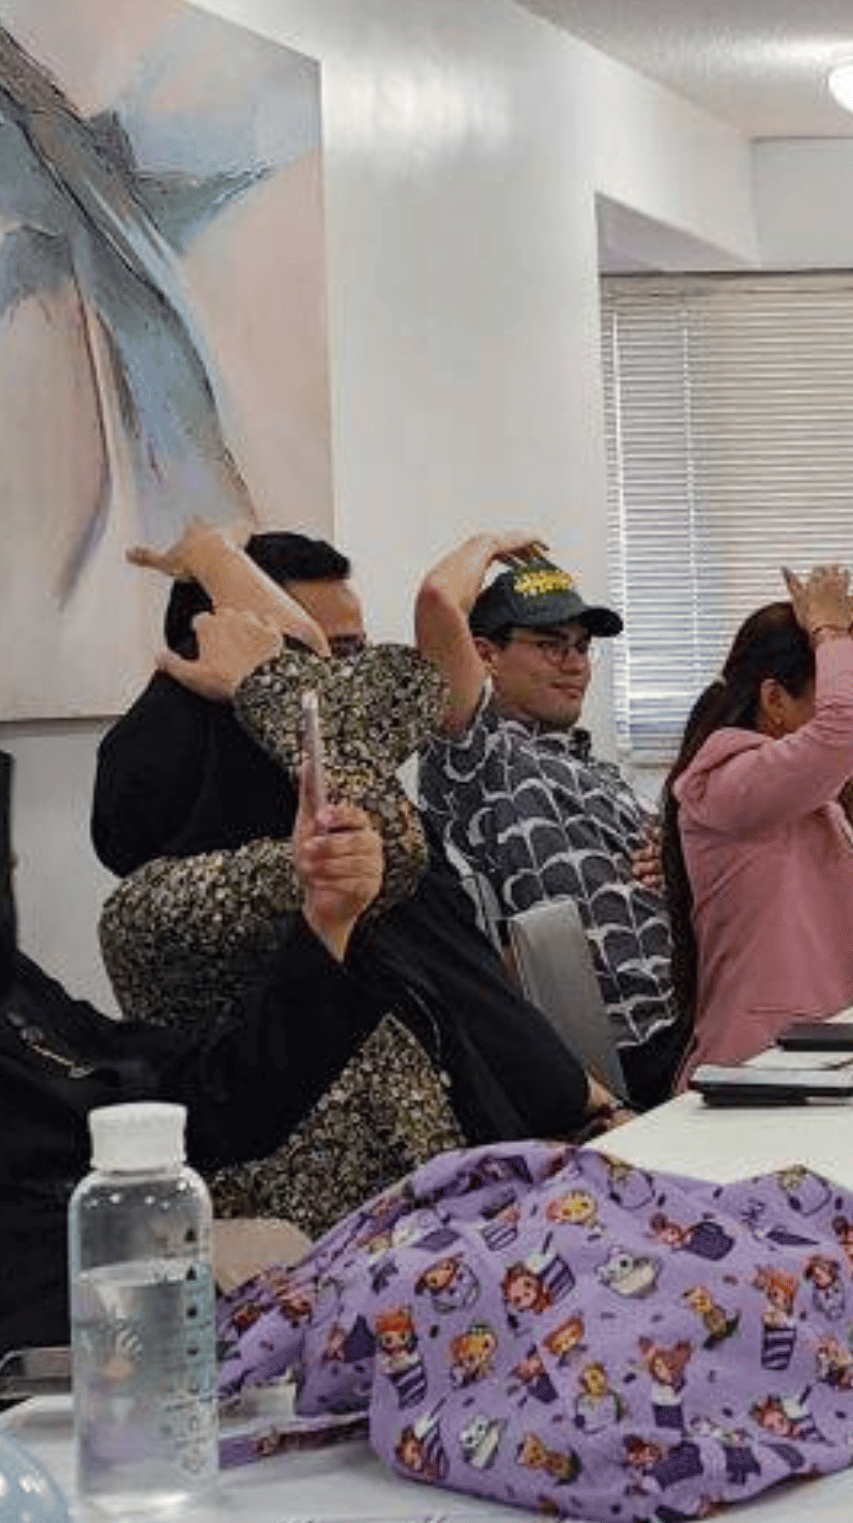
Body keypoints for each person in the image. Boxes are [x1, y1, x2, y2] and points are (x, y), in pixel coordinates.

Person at [92, 525, 616, 1229]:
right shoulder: (173, 901)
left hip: (468, 1207)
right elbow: (382, 836)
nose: (346, 689)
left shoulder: (359, 850)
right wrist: (223, 577)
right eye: (321, 664)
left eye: (354, 658)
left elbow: (482, 999)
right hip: (347, 1257)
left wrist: (593, 1114)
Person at [5, 751, 392, 1350]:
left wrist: (329, 924)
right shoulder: (151, 908)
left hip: (143, 1335)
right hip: (71, 1365)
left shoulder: (16, 990)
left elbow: (210, 1098)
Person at [420, 541, 688, 1099]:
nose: (574, 664)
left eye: (582, 648)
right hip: (616, 1055)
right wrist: (487, 545)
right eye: (549, 646)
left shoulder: (594, 767)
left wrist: (675, 856)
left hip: (687, 1017)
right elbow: (439, 600)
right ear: (485, 654)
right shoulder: (480, 756)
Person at [660, 569, 853, 1079]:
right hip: (764, 1069)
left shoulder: (813, 796)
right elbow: (851, 726)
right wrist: (829, 631)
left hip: (835, 1055)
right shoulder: (729, 783)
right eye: (830, 693)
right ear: (775, 699)